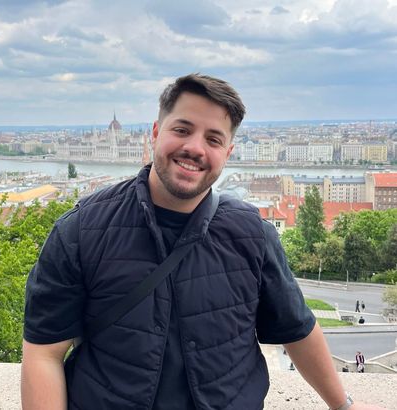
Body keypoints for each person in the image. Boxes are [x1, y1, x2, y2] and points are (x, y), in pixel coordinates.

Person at [21, 74, 384, 410]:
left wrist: (343, 405)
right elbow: (43, 353)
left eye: (213, 139)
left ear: (227, 153)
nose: (195, 148)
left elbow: (298, 329)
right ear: (155, 132)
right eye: (182, 129)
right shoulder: (81, 231)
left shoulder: (251, 233)